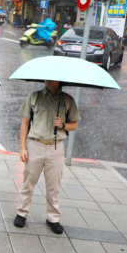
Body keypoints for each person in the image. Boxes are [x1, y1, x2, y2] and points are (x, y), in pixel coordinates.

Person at [14, 80, 81, 234]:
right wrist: (23, 147)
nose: (48, 79)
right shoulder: (34, 97)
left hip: (55, 147)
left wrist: (63, 125)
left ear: (59, 80)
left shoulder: (67, 100)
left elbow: (74, 125)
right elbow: (25, 123)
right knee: (28, 182)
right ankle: (22, 213)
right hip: (35, 145)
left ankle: (53, 218)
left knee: (53, 185)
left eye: (52, 77)